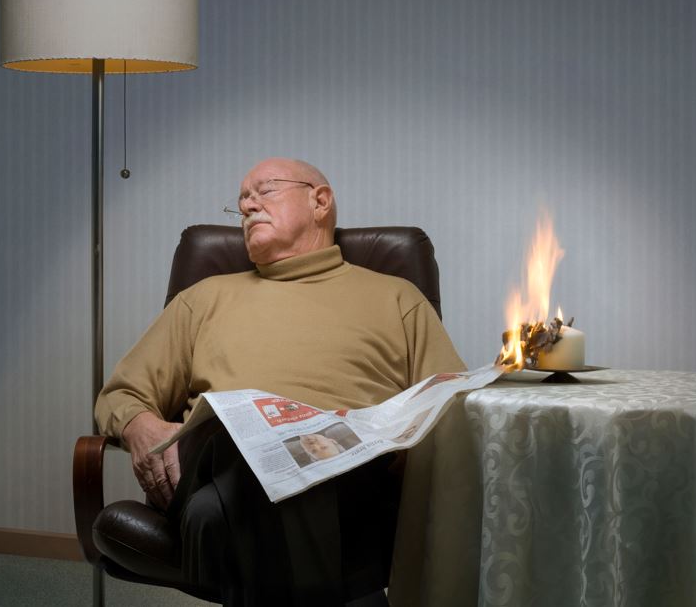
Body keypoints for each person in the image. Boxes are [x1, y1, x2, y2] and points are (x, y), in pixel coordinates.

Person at [94, 158, 466, 606]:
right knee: (239, 437)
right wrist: (141, 427)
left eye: (263, 191)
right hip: (222, 455)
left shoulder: (396, 297)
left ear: (320, 201)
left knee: (216, 513)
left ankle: (227, 519)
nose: (248, 205)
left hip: (346, 475)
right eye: (241, 202)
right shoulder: (204, 298)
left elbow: (450, 403)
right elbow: (122, 394)